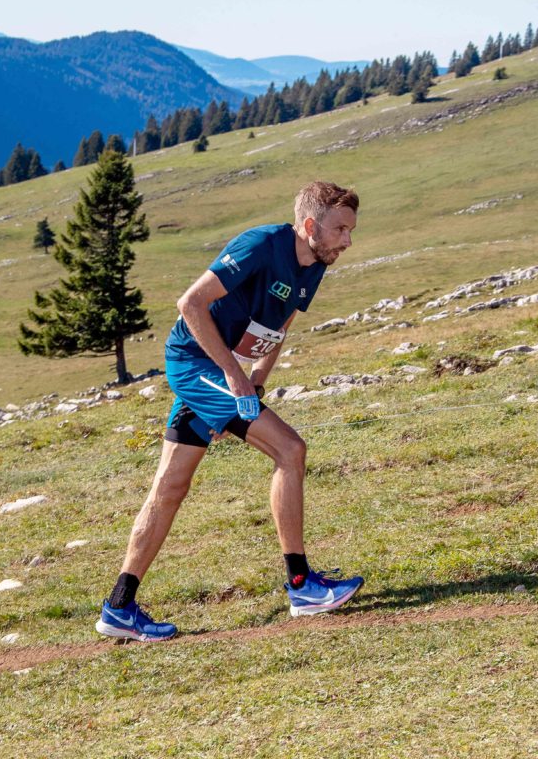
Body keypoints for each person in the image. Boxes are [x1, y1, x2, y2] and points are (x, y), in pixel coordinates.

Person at [96, 181, 364, 642]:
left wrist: (255, 381)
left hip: (223, 374)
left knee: (170, 486)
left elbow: (279, 326)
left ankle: (119, 606)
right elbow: (190, 304)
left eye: (350, 230)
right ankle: (301, 586)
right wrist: (233, 380)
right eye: (340, 228)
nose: (347, 240)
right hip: (194, 362)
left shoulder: (315, 265)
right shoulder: (260, 245)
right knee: (290, 450)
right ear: (308, 225)